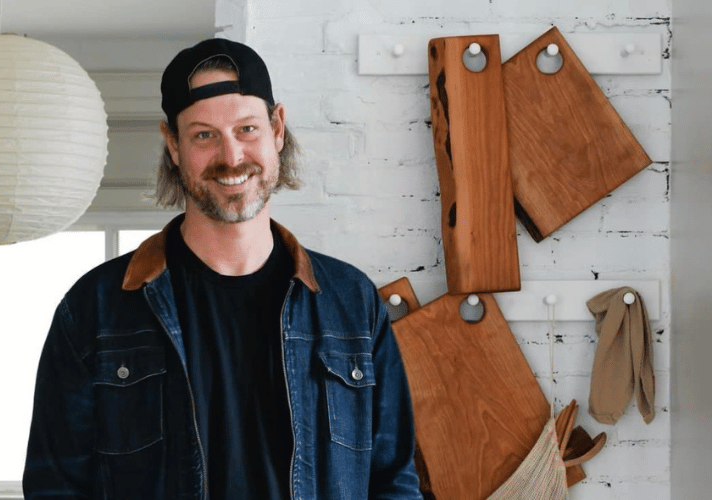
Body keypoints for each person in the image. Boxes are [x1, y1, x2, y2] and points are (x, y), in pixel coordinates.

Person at [22, 38, 423, 500]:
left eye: (247, 129)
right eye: (204, 135)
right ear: (172, 145)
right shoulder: (95, 308)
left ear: (277, 129)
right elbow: (55, 487)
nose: (231, 157)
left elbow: (392, 478)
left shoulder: (350, 302)